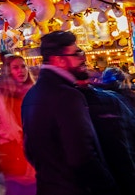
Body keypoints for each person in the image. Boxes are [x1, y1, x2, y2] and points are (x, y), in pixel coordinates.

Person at [21, 30, 118, 195]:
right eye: (76, 54)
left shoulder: (31, 95)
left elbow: (29, 151)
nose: (82, 59)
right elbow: (82, 155)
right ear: (58, 60)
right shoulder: (67, 96)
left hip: (47, 186)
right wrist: (108, 186)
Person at [0, 54, 36, 195]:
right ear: (8, 71)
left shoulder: (33, 92)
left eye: (23, 66)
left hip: (36, 158)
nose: (21, 71)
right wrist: (13, 136)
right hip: (14, 159)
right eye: (16, 67)